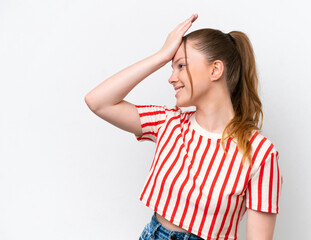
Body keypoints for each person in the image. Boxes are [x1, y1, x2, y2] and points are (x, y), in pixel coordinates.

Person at [85, 13, 283, 240]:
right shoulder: (168, 123)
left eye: (181, 65)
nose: (171, 78)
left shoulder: (261, 153)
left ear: (215, 70)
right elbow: (98, 101)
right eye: (171, 67)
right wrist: (161, 56)